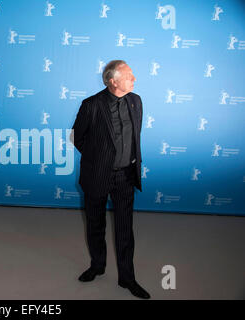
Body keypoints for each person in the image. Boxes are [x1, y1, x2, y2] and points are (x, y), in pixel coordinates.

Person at [71, 60, 150, 299]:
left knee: (125, 229)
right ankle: (97, 266)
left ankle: (127, 278)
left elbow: (135, 135)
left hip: (126, 175)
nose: (134, 78)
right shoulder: (92, 105)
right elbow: (77, 137)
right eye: (128, 75)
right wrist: (99, 159)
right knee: (95, 225)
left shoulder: (136, 101)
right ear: (113, 81)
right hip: (97, 175)